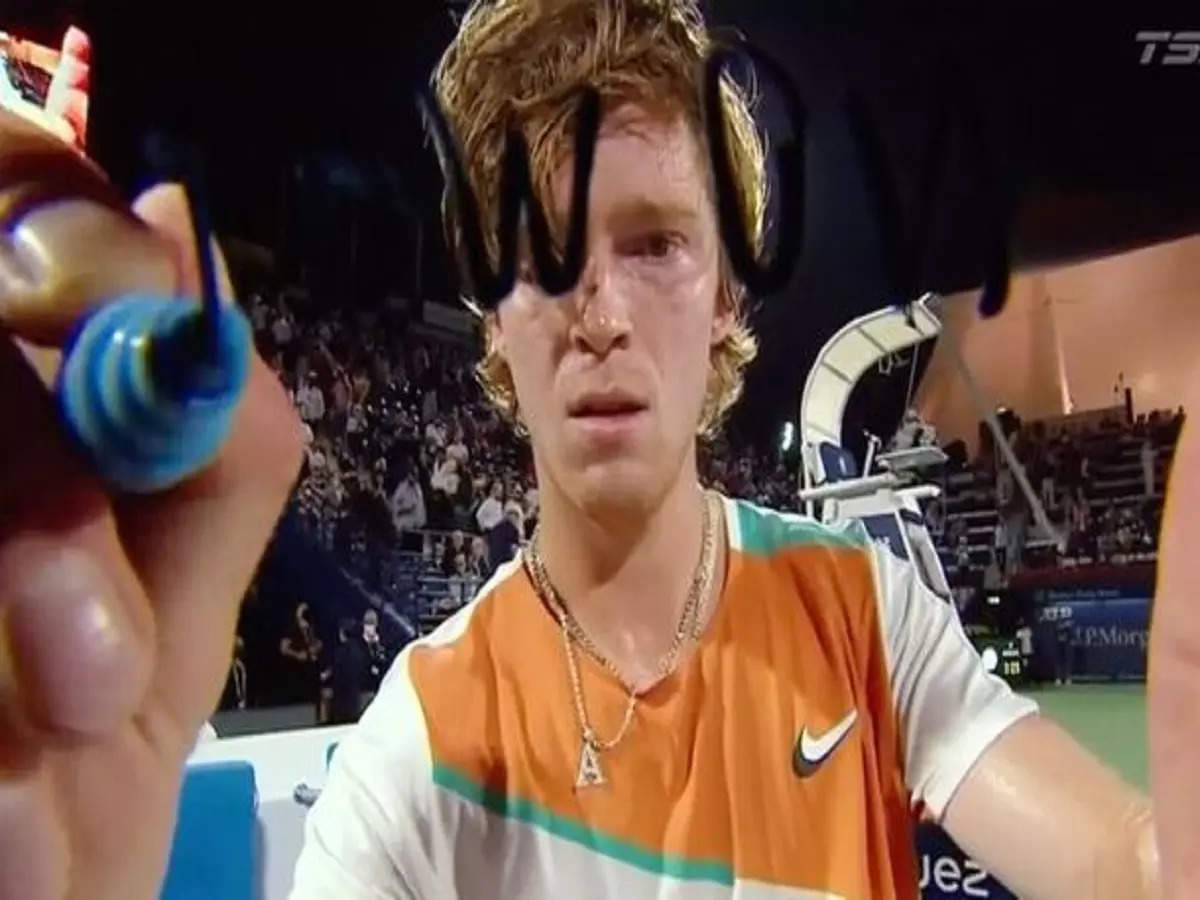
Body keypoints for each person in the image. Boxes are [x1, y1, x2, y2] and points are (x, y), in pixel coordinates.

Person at [0, 9, 1193, 900]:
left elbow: (1137, 869)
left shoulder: (865, 618)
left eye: (655, 244)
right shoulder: (423, 739)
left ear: (727, 295)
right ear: (493, 315)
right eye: (542, 256)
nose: (601, 314)